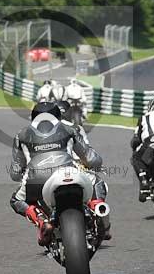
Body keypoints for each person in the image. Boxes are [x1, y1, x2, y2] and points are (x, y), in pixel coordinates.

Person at [10, 102, 110, 245]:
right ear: (58, 116)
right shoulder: (69, 129)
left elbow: (15, 172)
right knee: (97, 181)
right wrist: (95, 165)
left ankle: (41, 220)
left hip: (36, 179)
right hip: (68, 172)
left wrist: (24, 173)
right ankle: (97, 207)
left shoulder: (21, 135)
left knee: (16, 200)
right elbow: (91, 159)